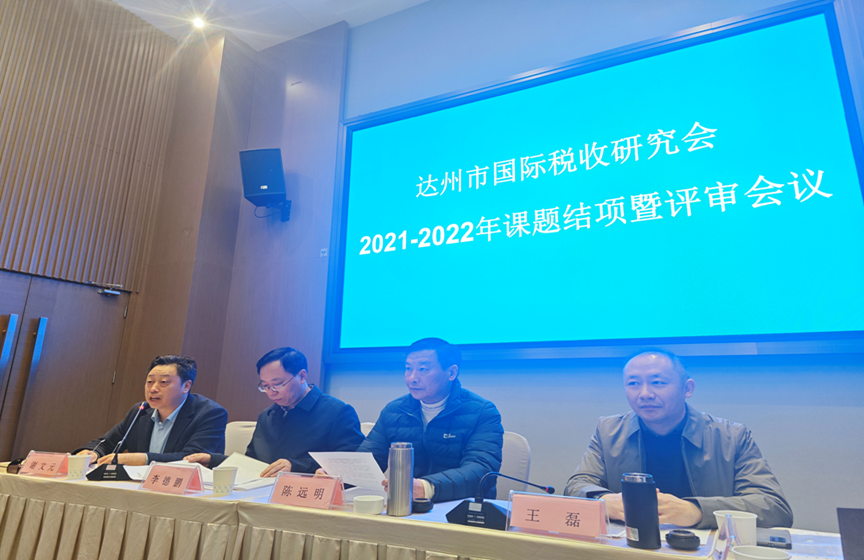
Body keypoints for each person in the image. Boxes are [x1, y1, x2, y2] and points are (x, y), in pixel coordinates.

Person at [564, 350, 792, 528]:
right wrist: (604, 501)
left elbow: (775, 508)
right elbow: (577, 485)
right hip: (630, 547)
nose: (645, 394)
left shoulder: (731, 436)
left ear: (687, 388)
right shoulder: (608, 430)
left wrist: (697, 511)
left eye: (658, 383)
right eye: (633, 383)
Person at [357, 337, 504, 503]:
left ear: (451, 373)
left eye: (423, 369)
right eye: (408, 368)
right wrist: (341, 476)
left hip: (461, 508)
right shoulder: (394, 411)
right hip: (406, 506)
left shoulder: (482, 412)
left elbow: (481, 471)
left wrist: (427, 487)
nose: (412, 378)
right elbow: (366, 461)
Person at [185, 347, 364, 476]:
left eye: (278, 384)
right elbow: (252, 463)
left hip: (309, 496)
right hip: (263, 495)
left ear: (302, 376)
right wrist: (213, 460)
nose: (271, 392)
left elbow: (352, 463)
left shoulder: (337, 412)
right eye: (265, 386)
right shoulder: (267, 416)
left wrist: (296, 467)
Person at [76, 355, 227, 465]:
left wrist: (142, 459)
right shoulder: (140, 411)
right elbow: (106, 443)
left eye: (163, 382)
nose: (153, 389)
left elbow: (192, 458)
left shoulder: (210, 414)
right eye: (149, 381)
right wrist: (93, 452)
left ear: (186, 386)